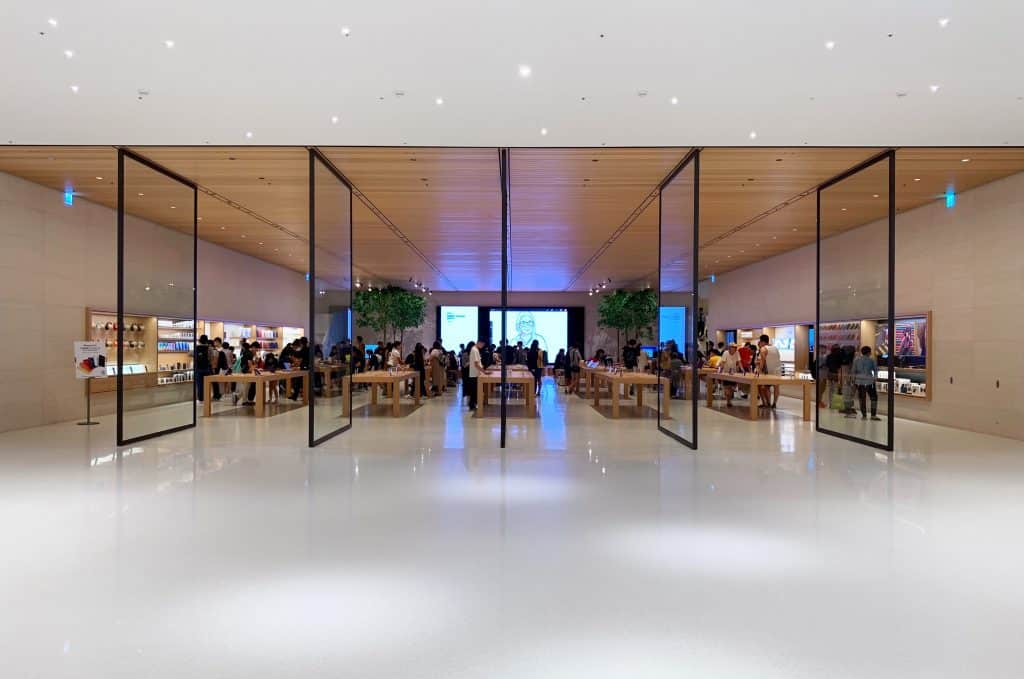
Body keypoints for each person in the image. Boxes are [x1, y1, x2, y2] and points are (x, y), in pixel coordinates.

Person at [851, 346, 881, 420]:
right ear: (869, 352)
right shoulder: (872, 360)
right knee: (874, 398)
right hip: (870, 381)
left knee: (862, 399)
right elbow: (876, 370)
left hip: (859, 381)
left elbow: (853, 371)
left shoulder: (856, 360)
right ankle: (873, 415)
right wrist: (875, 378)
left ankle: (864, 415)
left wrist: (853, 380)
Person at [757, 334, 782, 408]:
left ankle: (768, 403)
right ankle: (774, 404)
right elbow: (778, 357)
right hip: (777, 370)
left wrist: (760, 370)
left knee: (766, 387)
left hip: (769, 372)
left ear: (762, 342)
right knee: (776, 387)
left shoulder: (763, 349)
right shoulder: (775, 348)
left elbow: (762, 361)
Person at [718, 342, 742, 407]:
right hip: (726, 372)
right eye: (733, 347)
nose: (734, 349)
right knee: (727, 387)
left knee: (732, 388)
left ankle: (729, 399)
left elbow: (739, 362)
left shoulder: (737, 353)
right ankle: (728, 401)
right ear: (729, 348)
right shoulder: (725, 353)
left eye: (735, 347)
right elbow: (722, 362)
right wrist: (720, 372)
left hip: (733, 373)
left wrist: (742, 369)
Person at [195, 334, 213, 402]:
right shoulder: (209, 348)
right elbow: (211, 358)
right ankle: (207, 397)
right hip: (206, 368)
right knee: (207, 383)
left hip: (198, 368)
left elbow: (190, 354)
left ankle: (200, 398)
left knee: (199, 384)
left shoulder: (196, 347)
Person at [467, 339, 484, 411]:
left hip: (476, 373)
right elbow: (476, 364)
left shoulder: (475, 349)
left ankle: (473, 404)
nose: (482, 346)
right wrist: (484, 371)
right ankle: (472, 405)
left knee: (475, 391)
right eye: (483, 345)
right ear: (480, 342)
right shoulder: (474, 350)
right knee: (474, 391)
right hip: (474, 374)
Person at [241, 341, 260, 406]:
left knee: (248, 386)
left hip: (246, 371)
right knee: (246, 386)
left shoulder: (248, 352)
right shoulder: (249, 353)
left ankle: (247, 400)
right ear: (253, 347)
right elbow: (250, 365)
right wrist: (255, 366)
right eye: (257, 349)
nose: (257, 351)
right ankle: (244, 401)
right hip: (246, 371)